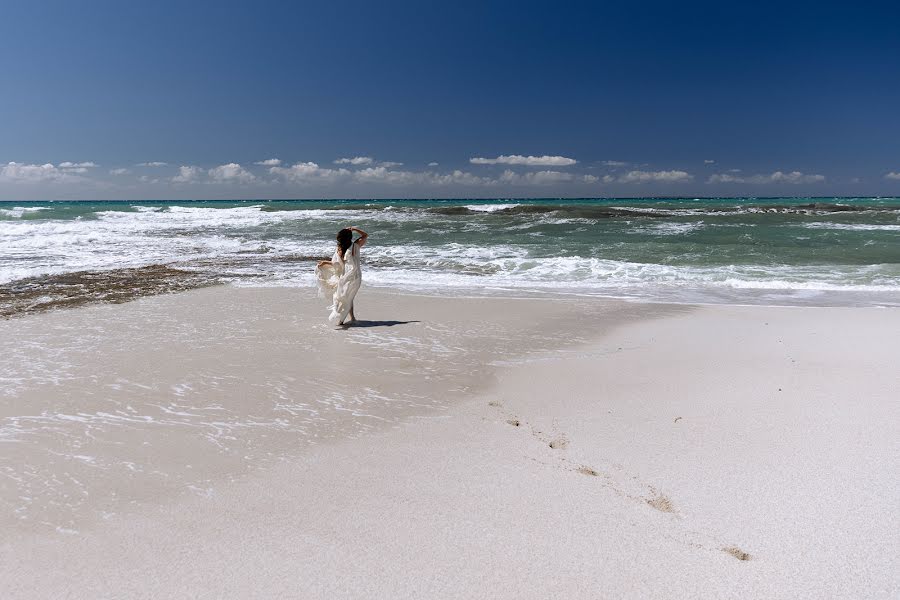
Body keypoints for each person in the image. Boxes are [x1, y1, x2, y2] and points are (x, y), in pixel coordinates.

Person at [315, 226, 368, 326]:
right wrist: (355, 229)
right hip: (352, 276)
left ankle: (341, 321)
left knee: (343, 297)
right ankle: (352, 318)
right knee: (348, 296)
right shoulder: (353, 245)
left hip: (349, 277)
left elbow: (336, 264)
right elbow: (365, 235)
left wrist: (324, 263)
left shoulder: (345, 247)